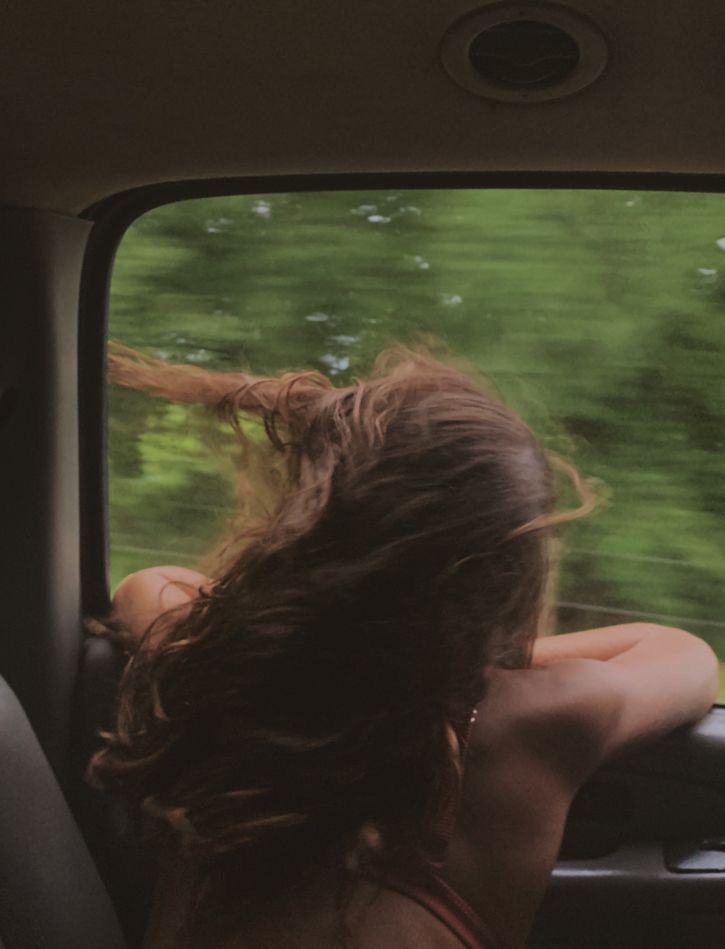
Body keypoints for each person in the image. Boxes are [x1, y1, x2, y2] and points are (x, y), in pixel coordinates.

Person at [88, 343, 719, 949]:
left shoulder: (216, 678)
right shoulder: (525, 725)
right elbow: (683, 653)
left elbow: (151, 587)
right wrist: (472, 664)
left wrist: (306, 619)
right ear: (508, 586)